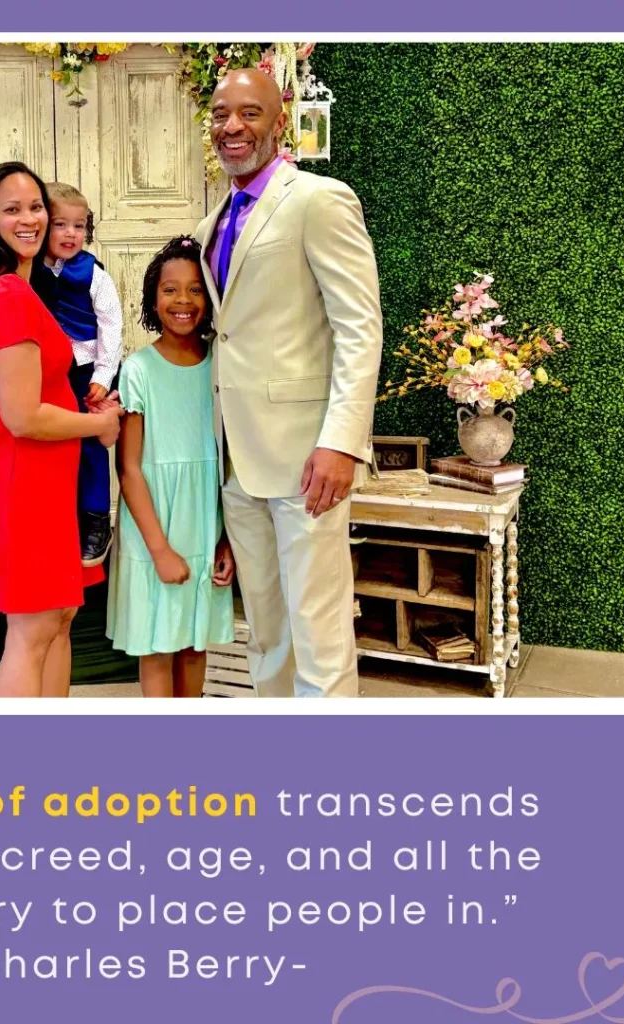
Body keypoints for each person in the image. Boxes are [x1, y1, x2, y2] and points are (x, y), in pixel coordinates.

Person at [195, 69, 384, 698]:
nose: (231, 127)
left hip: (307, 456)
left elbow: (359, 327)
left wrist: (341, 442)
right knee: (267, 629)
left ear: (280, 122)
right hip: (237, 458)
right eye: (222, 114)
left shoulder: (319, 199)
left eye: (249, 114)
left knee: (318, 627)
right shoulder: (213, 222)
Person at [0, 161, 123, 698]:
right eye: (12, 209)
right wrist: (99, 422)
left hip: (48, 478)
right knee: (33, 629)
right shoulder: (5, 295)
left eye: (35, 207)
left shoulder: (20, 290)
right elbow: (22, 415)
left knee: (60, 618)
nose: (30, 219)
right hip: (22, 479)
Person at [106, 236, 236, 698]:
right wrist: (159, 549)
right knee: (158, 644)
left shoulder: (224, 364)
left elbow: (230, 459)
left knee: (194, 642)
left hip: (205, 522)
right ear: (152, 297)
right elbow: (130, 470)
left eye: (196, 289)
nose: (183, 301)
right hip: (154, 522)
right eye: (170, 289)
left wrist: (227, 539)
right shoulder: (139, 369)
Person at [41, 182, 124, 567]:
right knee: (51, 443)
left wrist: (104, 377)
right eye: (61, 224)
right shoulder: (27, 271)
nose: (71, 234)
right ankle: (54, 518)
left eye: (79, 226)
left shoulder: (94, 275)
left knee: (90, 444)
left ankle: (95, 520)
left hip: (86, 371)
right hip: (44, 374)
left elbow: (111, 326)